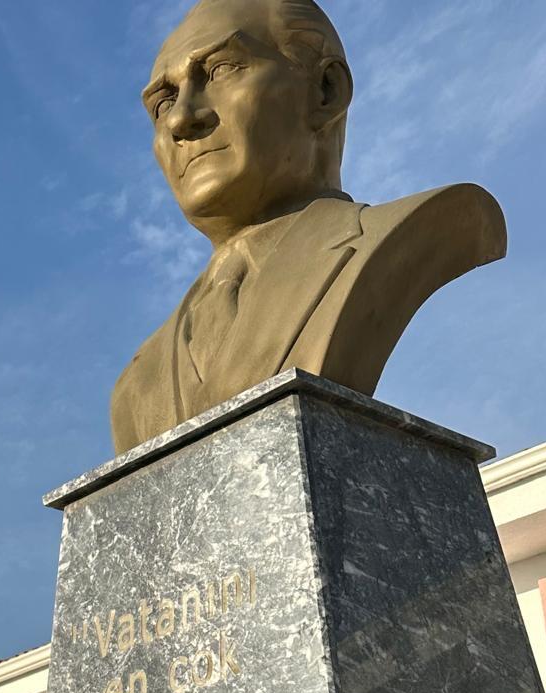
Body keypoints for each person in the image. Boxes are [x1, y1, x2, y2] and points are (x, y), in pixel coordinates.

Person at [110, 0, 505, 452]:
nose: (181, 119)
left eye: (221, 70)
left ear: (326, 90)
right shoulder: (137, 386)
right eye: (163, 103)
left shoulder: (406, 232)